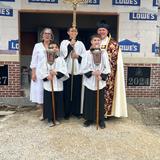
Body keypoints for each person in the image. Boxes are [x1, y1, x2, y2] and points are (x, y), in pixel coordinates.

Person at [97, 20, 128, 118]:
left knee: (107, 93)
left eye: (103, 30)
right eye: (100, 30)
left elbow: (114, 59)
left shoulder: (113, 43)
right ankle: (95, 111)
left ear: (107, 31)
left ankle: (105, 113)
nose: (102, 32)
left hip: (109, 73)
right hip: (96, 72)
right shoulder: (95, 41)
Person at [81, 34, 111, 129]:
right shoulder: (86, 53)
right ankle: (89, 119)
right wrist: (92, 73)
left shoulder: (104, 53)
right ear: (91, 42)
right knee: (89, 100)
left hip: (100, 81)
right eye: (94, 40)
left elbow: (107, 67)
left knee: (100, 101)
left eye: (98, 40)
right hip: (90, 81)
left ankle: (100, 119)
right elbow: (83, 67)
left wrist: (101, 76)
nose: (97, 42)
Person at [38, 42, 69, 127]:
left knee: (57, 101)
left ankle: (56, 117)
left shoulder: (61, 59)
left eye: (55, 47)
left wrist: (57, 73)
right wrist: (46, 76)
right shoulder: (44, 60)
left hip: (58, 84)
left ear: (58, 49)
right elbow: (40, 71)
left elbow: (64, 70)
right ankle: (49, 119)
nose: (54, 49)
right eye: (52, 47)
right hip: (48, 85)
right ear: (48, 49)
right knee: (49, 102)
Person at [60, 27, 86, 119]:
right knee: (67, 92)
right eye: (71, 31)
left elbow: (85, 57)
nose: (73, 33)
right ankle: (66, 112)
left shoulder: (81, 44)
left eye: (75, 31)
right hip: (67, 71)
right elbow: (62, 55)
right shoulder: (64, 42)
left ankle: (76, 111)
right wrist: (70, 46)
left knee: (76, 92)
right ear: (68, 32)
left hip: (77, 71)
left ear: (77, 33)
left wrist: (78, 56)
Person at [30, 28, 54, 119]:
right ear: (42, 35)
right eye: (45, 33)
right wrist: (33, 73)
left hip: (50, 73)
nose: (47, 35)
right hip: (39, 73)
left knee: (48, 92)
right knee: (40, 93)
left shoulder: (53, 46)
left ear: (51, 36)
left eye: (49, 34)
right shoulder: (37, 46)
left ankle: (50, 112)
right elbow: (34, 60)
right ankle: (43, 113)